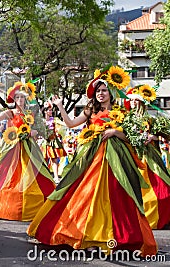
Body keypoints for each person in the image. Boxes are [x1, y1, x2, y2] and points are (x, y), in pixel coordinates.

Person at [27, 66, 157, 256]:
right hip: (92, 158)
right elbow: (71, 124)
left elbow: (131, 136)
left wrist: (115, 132)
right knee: (85, 194)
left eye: (104, 90)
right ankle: (84, 235)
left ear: (111, 92)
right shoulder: (90, 109)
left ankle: (112, 237)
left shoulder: (123, 112)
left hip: (117, 162)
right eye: (98, 91)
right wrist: (61, 107)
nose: (100, 94)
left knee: (115, 198)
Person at [0, 81, 55, 221]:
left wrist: (31, 133)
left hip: (27, 148)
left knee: (33, 175)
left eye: (22, 97)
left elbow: (40, 130)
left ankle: (34, 204)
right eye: (17, 97)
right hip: (11, 148)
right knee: (2, 175)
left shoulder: (30, 114)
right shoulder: (9, 113)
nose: (20, 100)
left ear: (26, 99)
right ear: (14, 99)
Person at [123, 85, 170, 230]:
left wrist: (153, 136)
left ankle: (158, 217)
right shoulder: (125, 118)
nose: (133, 103)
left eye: (137, 100)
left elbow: (165, 135)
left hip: (149, 157)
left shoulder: (150, 119)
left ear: (143, 102)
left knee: (161, 187)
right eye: (132, 101)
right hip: (132, 156)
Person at [42, 101, 66, 183]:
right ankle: (44, 177)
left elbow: (63, 124)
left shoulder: (55, 120)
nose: (51, 112)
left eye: (51, 110)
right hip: (44, 142)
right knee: (43, 160)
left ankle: (56, 177)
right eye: (49, 110)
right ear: (45, 111)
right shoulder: (42, 121)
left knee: (54, 160)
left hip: (53, 141)